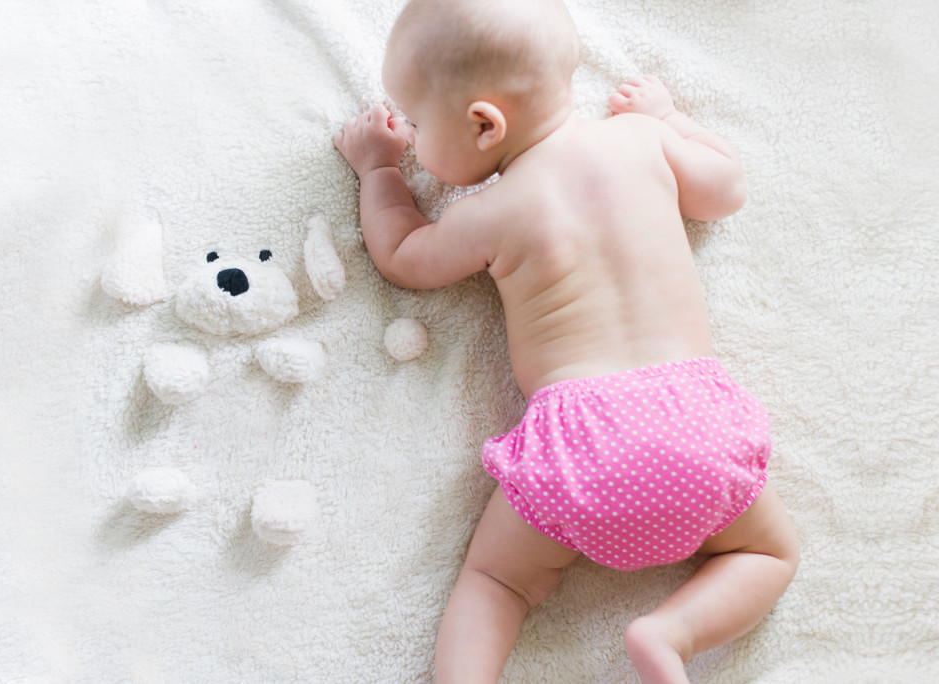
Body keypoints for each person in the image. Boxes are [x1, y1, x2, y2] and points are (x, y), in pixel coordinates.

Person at [333, 0, 800, 681]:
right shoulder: (641, 142)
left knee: (498, 582)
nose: (405, 132)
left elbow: (404, 256)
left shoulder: (490, 212)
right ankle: (671, 634)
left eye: (414, 122)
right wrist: (668, 118)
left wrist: (379, 171)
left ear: (483, 124)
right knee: (769, 555)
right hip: (696, 428)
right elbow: (725, 189)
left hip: (582, 449)